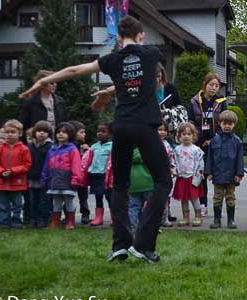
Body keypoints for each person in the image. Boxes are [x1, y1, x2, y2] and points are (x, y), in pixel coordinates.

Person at [20, 15, 173, 263]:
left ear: (119, 38)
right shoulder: (151, 54)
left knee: (120, 185)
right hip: (145, 125)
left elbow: (75, 70)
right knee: (163, 181)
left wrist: (44, 80)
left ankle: (120, 245)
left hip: (121, 126)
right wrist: (108, 91)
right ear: (141, 36)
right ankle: (142, 244)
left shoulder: (111, 60)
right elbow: (149, 81)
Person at [188, 73, 228, 217]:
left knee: (219, 176)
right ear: (205, 85)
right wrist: (200, 140)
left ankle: (219, 206)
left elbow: (225, 120)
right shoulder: (194, 101)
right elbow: (191, 122)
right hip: (200, 144)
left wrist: (215, 139)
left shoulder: (222, 101)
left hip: (217, 143)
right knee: (202, 175)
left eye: (216, 86)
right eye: (211, 85)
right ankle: (203, 204)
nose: (214, 88)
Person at [205, 110, 244, 229]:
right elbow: (210, 157)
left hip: (232, 175)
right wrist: (209, 172)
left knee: (230, 197)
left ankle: (231, 220)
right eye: (224, 123)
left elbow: (240, 159)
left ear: (234, 125)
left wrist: (239, 174)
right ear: (219, 124)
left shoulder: (237, 141)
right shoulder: (214, 140)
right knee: (217, 197)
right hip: (217, 175)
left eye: (230, 124)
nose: (227, 126)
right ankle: (217, 220)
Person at [41, 122, 82, 230]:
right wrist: (44, 178)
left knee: (68, 202)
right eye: (58, 132)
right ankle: (55, 222)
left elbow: (76, 166)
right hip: (54, 181)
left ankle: (70, 222)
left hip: (67, 181)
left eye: (64, 132)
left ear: (70, 134)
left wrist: (75, 179)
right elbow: (46, 165)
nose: (60, 134)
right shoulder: (52, 149)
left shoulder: (72, 149)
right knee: (56, 202)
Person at [0, 119, 32, 229]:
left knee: (17, 205)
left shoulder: (24, 149)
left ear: (19, 133)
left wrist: (13, 171)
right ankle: (3, 223)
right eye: (7, 132)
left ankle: (17, 222)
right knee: (2, 204)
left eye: (13, 132)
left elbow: (27, 165)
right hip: (1, 182)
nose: (9, 134)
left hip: (17, 183)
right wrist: (1, 172)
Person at [173, 123, 205, 227]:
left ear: (193, 136)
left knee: (195, 198)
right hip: (182, 178)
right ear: (179, 136)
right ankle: (185, 218)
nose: (186, 136)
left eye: (189, 134)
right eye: (183, 134)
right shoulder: (177, 150)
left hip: (192, 178)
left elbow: (200, 165)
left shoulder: (196, 150)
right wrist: (176, 172)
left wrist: (197, 178)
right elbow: (174, 162)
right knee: (183, 199)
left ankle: (198, 217)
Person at [21, 70, 68, 135]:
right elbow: (25, 123)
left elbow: (64, 122)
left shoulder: (60, 101)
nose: (55, 85)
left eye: (55, 83)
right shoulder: (30, 102)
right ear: (42, 85)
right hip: (38, 137)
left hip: (57, 137)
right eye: (51, 83)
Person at [27, 121, 53, 228]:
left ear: (49, 133)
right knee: (33, 200)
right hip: (32, 178)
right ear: (34, 132)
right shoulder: (30, 146)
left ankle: (43, 220)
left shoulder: (50, 146)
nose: (41, 133)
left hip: (45, 179)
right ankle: (33, 219)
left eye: (45, 131)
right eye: (39, 131)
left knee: (44, 201)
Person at [87, 122, 113, 227]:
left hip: (106, 176)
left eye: (103, 131)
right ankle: (98, 217)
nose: (100, 134)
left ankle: (113, 217)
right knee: (98, 196)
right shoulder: (94, 147)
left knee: (110, 197)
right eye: (98, 131)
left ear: (110, 134)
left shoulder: (112, 146)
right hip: (95, 175)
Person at [128, 147, 155, 232]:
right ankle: (150, 227)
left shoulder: (128, 152)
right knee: (151, 207)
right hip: (148, 183)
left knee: (133, 207)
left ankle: (131, 227)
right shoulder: (148, 150)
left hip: (133, 184)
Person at [157, 121, 178, 227]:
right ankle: (159, 218)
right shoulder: (151, 143)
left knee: (166, 196)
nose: (162, 132)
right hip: (154, 175)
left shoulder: (167, 144)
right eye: (160, 130)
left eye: (164, 130)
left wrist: (173, 170)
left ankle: (166, 216)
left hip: (166, 174)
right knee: (157, 197)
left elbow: (172, 158)